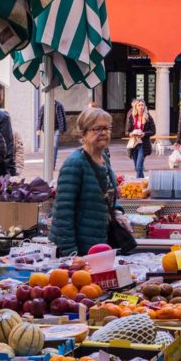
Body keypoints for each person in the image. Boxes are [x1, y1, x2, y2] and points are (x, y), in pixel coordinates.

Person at [49, 107, 129, 255]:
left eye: (106, 128)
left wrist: (117, 211)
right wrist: (71, 254)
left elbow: (106, 193)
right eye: (97, 129)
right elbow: (63, 215)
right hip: (80, 249)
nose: (103, 133)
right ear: (83, 133)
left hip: (99, 244)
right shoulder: (74, 163)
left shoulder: (103, 158)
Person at [126, 99, 155, 179]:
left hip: (143, 143)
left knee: (139, 166)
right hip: (134, 143)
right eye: (139, 105)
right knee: (137, 167)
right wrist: (131, 133)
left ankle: (138, 182)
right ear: (136, 107)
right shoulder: (131, 117)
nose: (141, 107)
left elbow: (153, 131)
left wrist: (144, 134)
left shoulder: (148, 117)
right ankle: (142, 181)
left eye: (142, 105)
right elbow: (127, 131)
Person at [37, 99, 67, 172]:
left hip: (57, 128)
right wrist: (38, 129)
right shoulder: (44, 107)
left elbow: (63, 117)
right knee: (48, 147)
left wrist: (62, 129)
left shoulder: (59, 106)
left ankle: (52, 165)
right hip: (47, 129)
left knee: (55, 146)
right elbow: (40, 118)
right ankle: (48, 163)